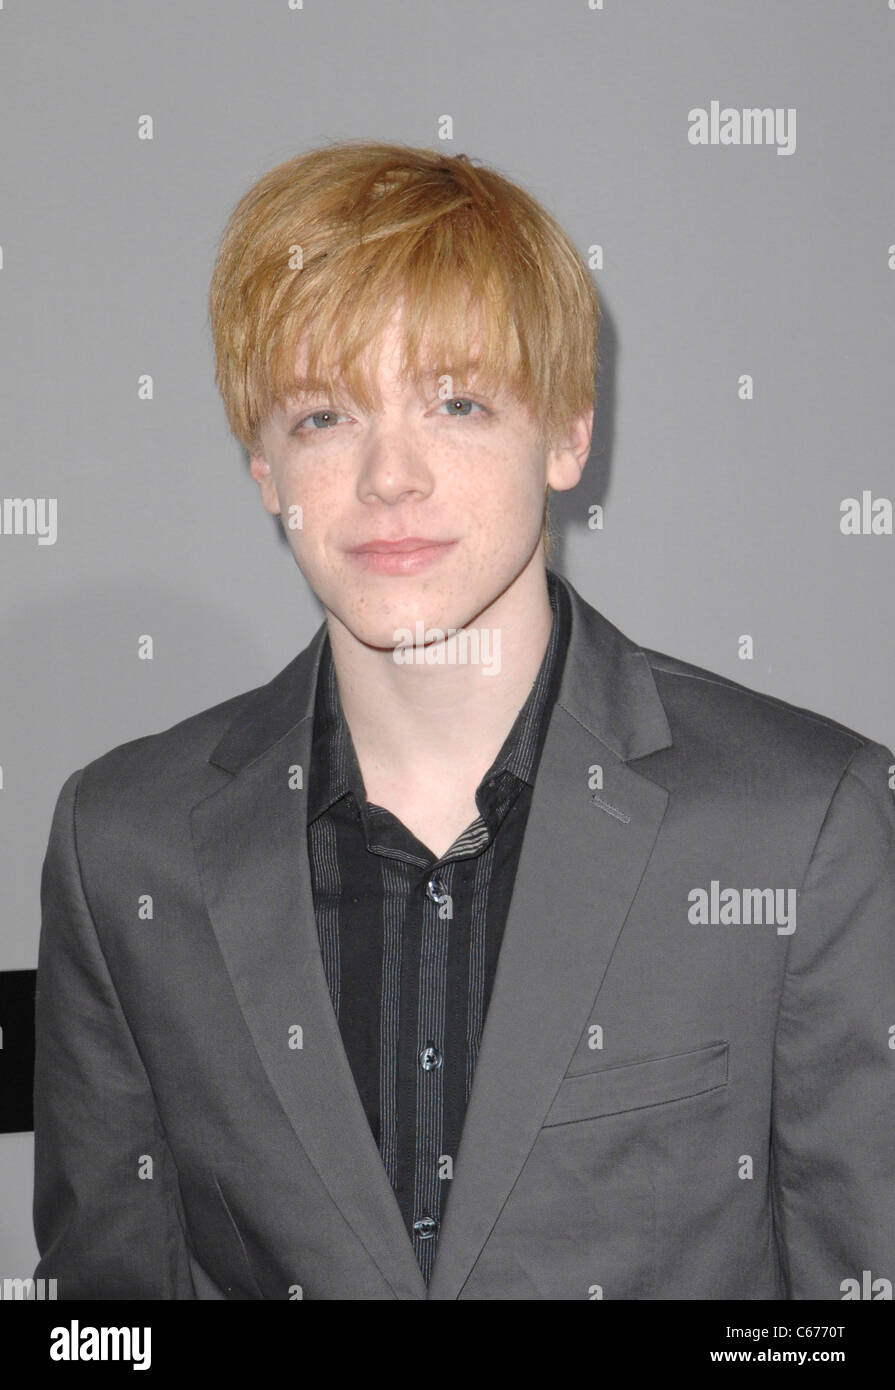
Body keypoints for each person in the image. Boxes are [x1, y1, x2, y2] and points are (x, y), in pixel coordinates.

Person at [33, 141, 895, 1300]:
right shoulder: (123, 844)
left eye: (457, 401)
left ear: (568, 434)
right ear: (262, 465)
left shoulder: (803, 824)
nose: (391, 473)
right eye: (326, 415)